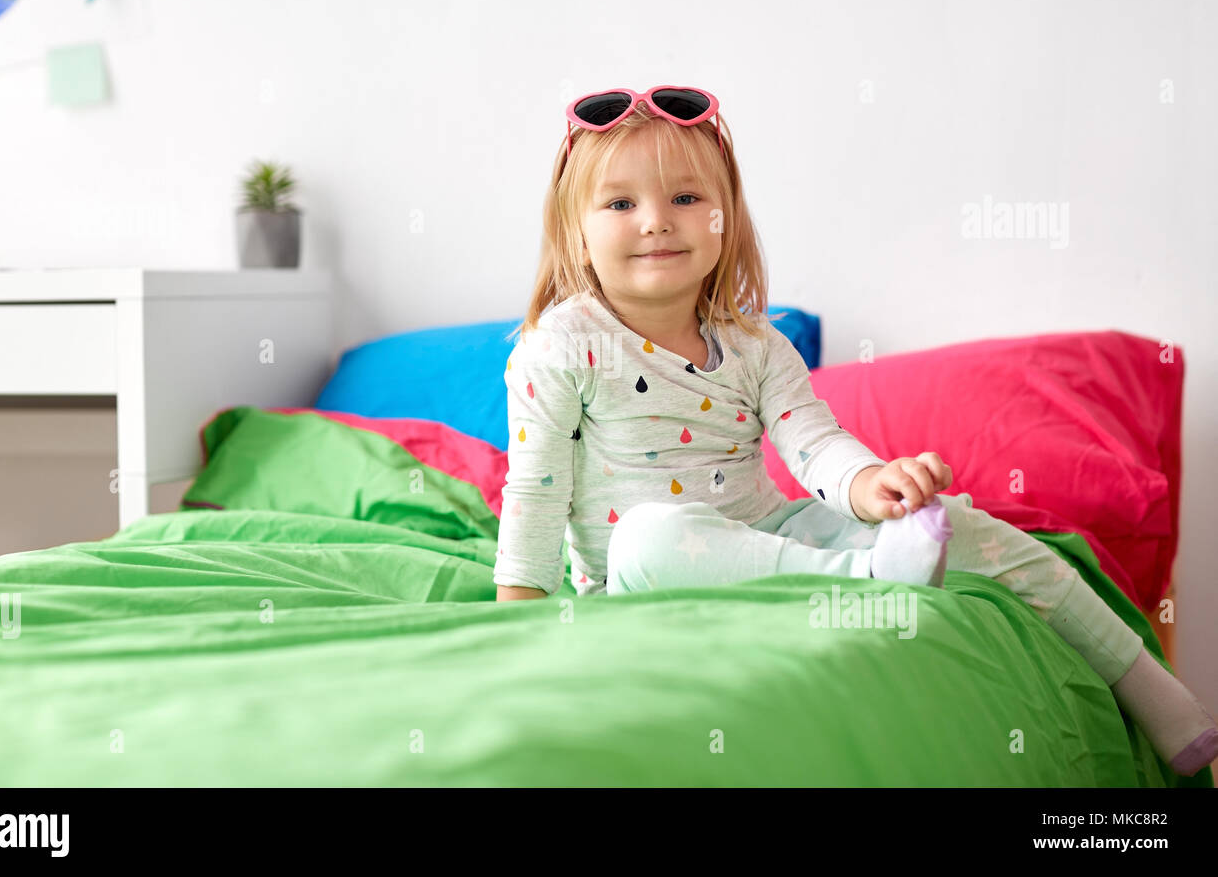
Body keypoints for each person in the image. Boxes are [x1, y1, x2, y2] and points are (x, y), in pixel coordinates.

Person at [492, 84, 1218, 778]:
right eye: (621, 203)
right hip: (645, 574)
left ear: (726, 220)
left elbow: (815, 444)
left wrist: (874, 487)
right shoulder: (561, 345)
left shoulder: (757, 345)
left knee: (965, 523)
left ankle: (1160, 699)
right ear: (575, 233)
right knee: (648, 534)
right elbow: (534, 488)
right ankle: (870, 579)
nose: (656, 220)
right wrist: (517, 624)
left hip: (774, 533)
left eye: (686, 198)